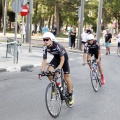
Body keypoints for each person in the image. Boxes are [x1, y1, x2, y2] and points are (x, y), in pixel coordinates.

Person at [40, 32, 74, 105]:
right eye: (44, 40)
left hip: (64, 59)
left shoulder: (57, 45)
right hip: (56, 58)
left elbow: (62, 58)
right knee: (48, 72)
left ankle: (70, 94)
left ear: (51, 39)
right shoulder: (45, 47)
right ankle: (56, 84)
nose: (45, 41)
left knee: (66, 77)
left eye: (47, 39)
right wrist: (42, 70)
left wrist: (59, 68)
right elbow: (44, 60)